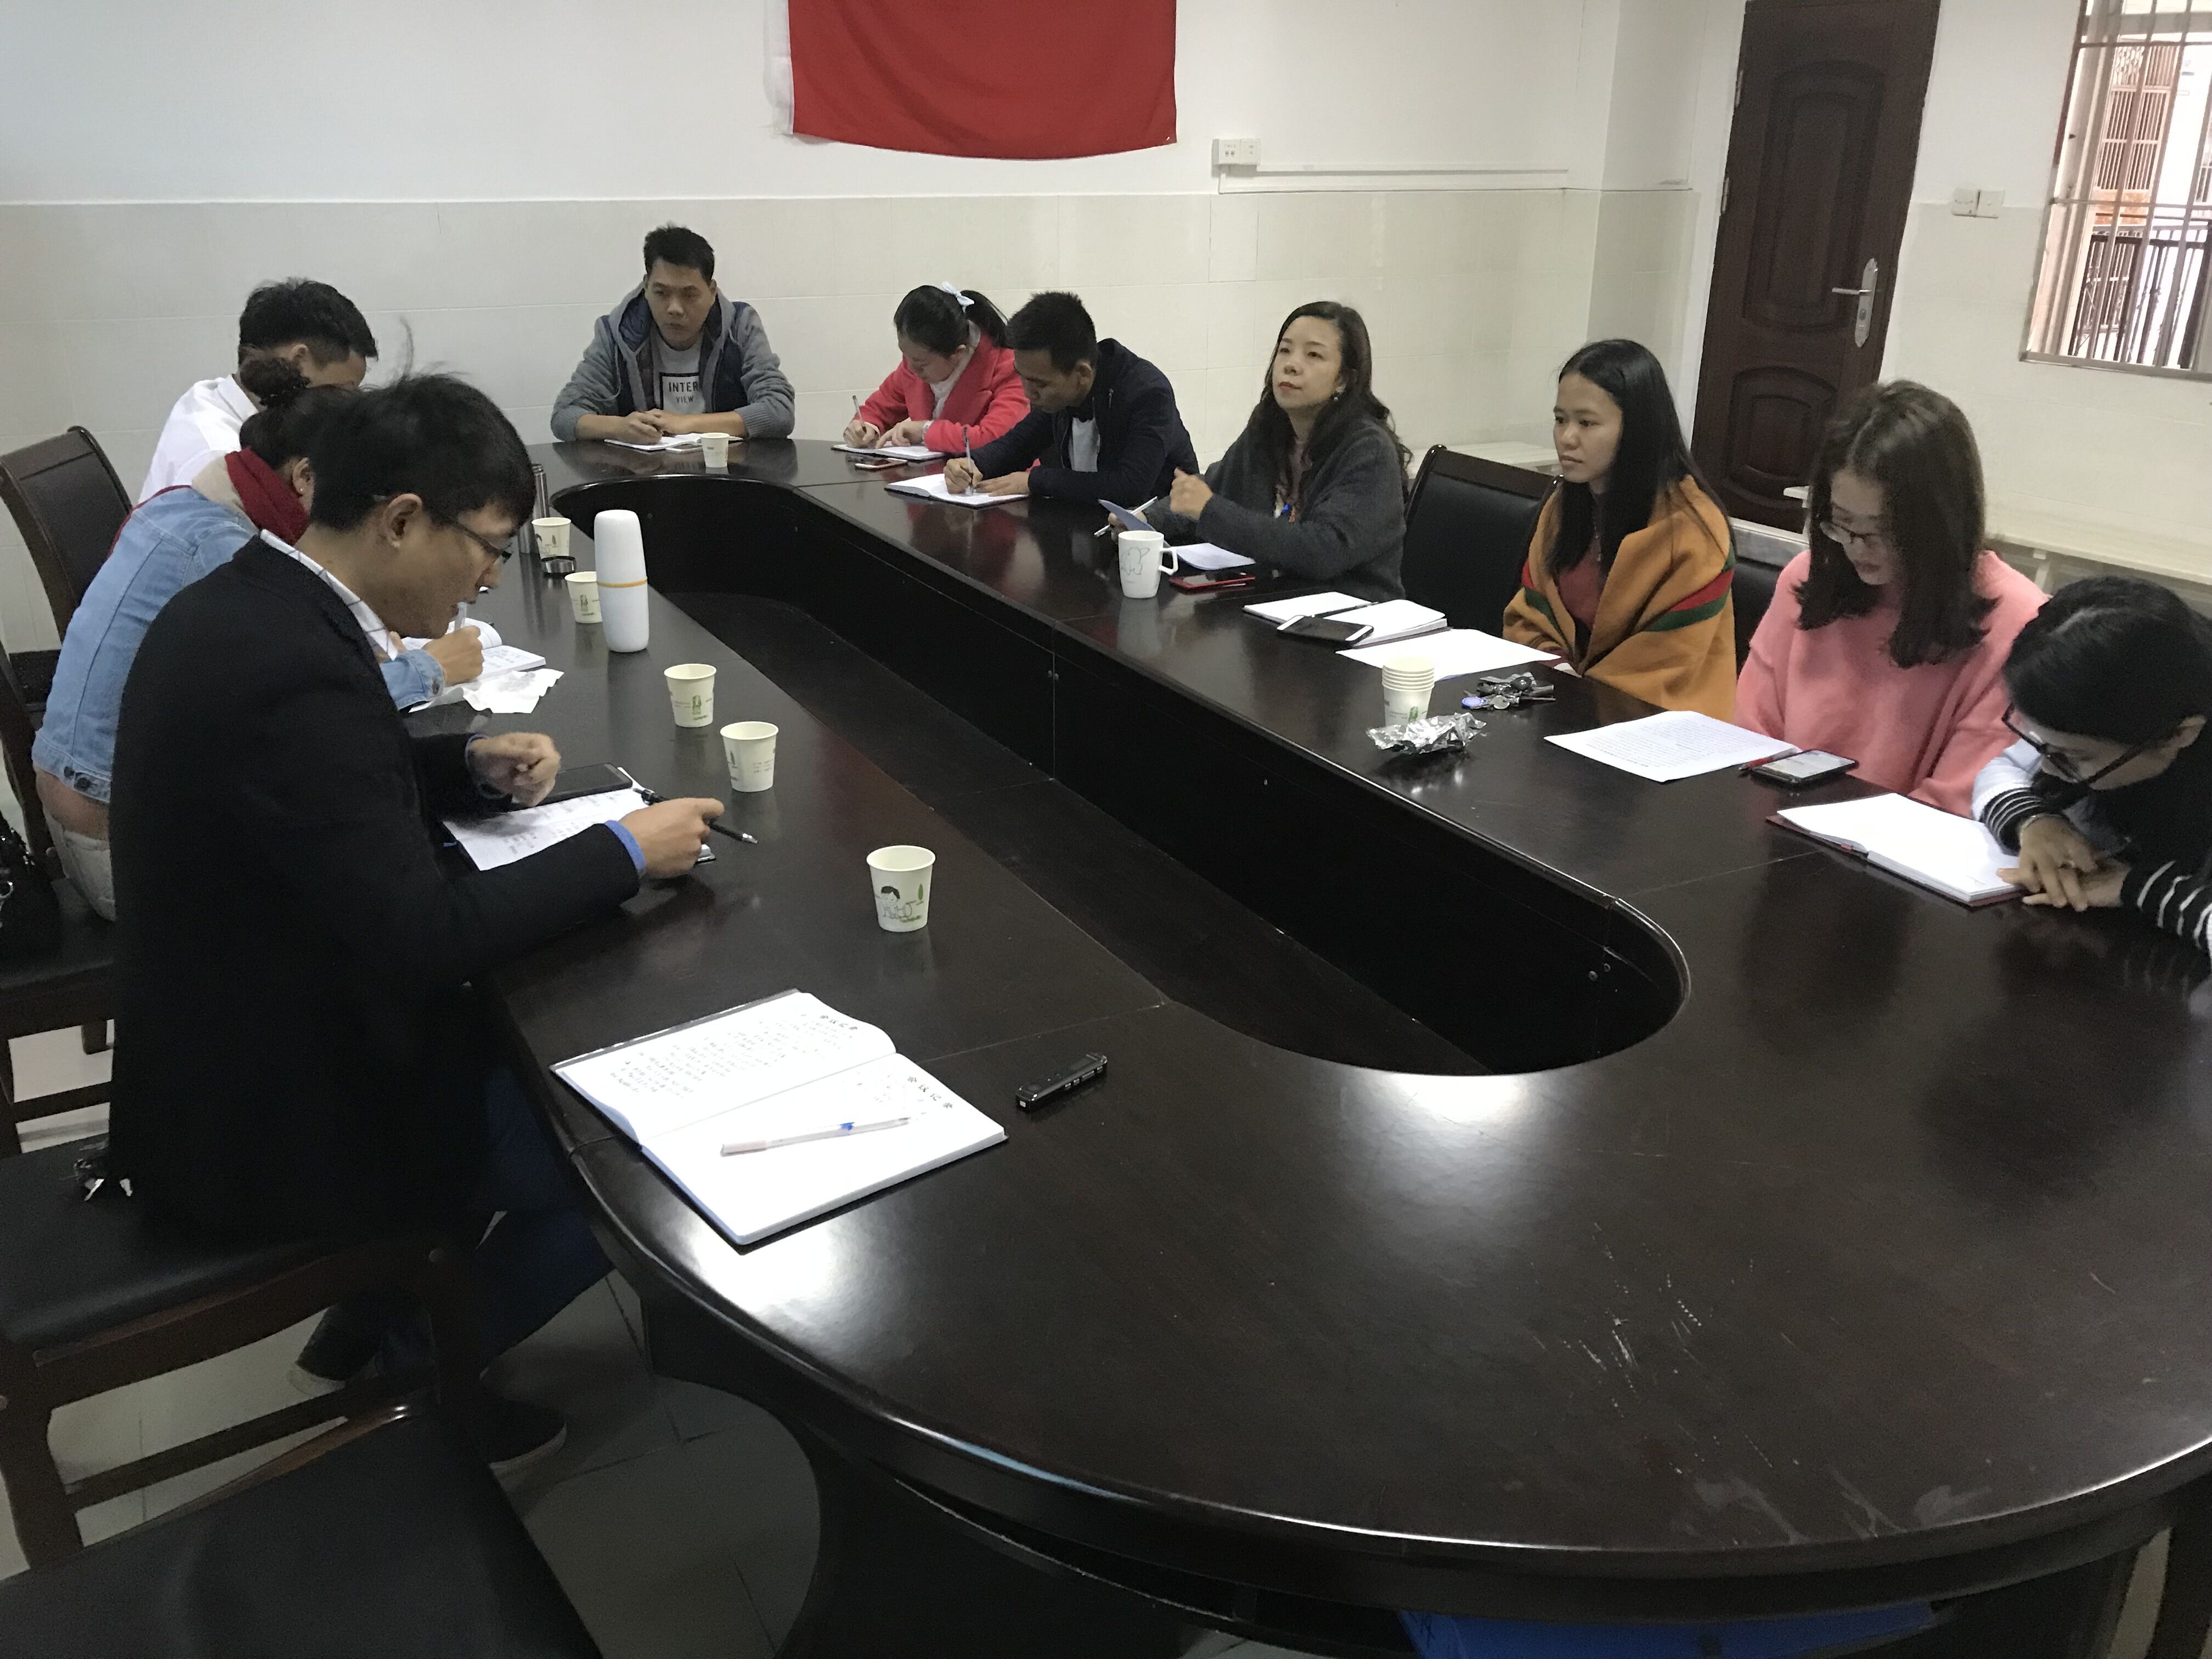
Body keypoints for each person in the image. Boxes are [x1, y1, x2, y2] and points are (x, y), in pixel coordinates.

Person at [106, 374, 723, 1472]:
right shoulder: (288, 667)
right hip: (274, 1114)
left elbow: (320, 788)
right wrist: (624, 851)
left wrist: (464, 766)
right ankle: (420, 1368)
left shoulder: (255, 601)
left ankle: (377, 1307)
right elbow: (426, 934)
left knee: (549, 1049)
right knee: (630, 1164)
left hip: (234, 1040)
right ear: (401, 519)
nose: (488, 577)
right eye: (486, 548)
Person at [35, 376, 480, 921]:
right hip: (116, 847)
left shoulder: (200, 502)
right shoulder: (223, 551)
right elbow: (326, 699)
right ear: (306, 477)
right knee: (394, 877)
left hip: (107, 804)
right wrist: (431, 668)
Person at [1736, 383, 2045, 814]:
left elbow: (1959, 797)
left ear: (1942, 523)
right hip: (1775, 824)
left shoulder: (2014, 619)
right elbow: (1750, 739)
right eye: (1842, 523)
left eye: (1883, 532)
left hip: (1903, 846)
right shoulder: (1808, 579)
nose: (1858, 549)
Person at [1973, 576, 2212, 954]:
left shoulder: (2141, 706)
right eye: (2042, 745)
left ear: (2180, 735)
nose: (2048, 769)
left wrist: (2140, 888)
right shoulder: (2098, 720)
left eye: (2077, 757)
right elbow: (2003, 769)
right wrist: (2034, 821)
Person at [1502, 341, 1736, 718]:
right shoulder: (1564, 506)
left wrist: (1575, 694)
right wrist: (1559, 676)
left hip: (1658, 724)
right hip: (1562, 704)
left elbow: (1664, 664)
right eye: (1561, 420)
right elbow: (1529, 617)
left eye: (1587, 423)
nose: (1567, 437)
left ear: (1637, 429)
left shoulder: (1694, 530)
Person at [1148, 301, 1409, 602]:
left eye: (1313, 355)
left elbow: (1324, 550)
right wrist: (1146, 522)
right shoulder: (1270, 428)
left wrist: (1210, 511)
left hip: (1356, 611)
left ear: (1344, 380)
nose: (1291, 364)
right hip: (1280, 604)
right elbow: (1214, 487)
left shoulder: (1369, 450)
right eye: (1285, 350)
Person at [941, 291, 1197, 505]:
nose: (1028, 393)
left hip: (1157, 534)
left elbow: (1130, 486)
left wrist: (1035, 480)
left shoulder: (1147, 393)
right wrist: (972, 464)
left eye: (1039, 384)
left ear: (1082, 374)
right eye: (1022, 377)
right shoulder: (1061, 393)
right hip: (1088, 523)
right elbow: (1019, 444)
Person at [552, 224, 794, 445]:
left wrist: (686, 423)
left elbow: (779, 411)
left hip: (727, 469)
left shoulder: (739, 326)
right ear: (646, 286)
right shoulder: (617, 333)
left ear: (712, 292)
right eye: (662, 293)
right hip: (641, 472)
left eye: (689, 295)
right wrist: (619, 427)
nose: (674, 309)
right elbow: (565, 416)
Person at [139, 279, 376, 500]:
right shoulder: (218, 462)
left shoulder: (215, 396)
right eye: (344, 390)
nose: (345, 406)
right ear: (298, 361)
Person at [844, 284, 1029, 454]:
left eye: (921, 363)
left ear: (958, 353)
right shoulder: (915, 363)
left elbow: (995, 439)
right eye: (905, 355)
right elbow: (880, 407)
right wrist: (866, 426)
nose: (911, 368)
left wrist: (926, 430)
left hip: (997, 477)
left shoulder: (1010, 369)